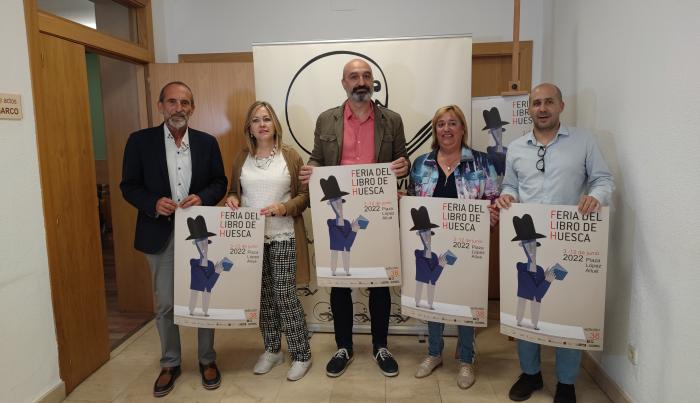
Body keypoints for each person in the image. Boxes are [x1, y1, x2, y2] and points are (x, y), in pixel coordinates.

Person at [494, 83, 614, 403]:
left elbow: (603, 179)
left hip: (567, 237)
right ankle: (531, 374)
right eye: (536, 103)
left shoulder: (584, 141)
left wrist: (596, 197)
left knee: (567, 309)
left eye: (549, 102)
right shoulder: (517, 148)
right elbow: (511, 184)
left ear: (561, 106)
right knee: (528, 302)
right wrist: (508, 196)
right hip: (529, 238)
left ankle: (566, 382)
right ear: (529, 109)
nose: (542, 108)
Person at [299, 58, 410, 378]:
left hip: (377, 213)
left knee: (379, 283)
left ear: (373, 81)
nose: (360, 81)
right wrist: (311, 170)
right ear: (344, 83)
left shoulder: (392, 120)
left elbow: (403, 161)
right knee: (339, 283)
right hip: (337, 211)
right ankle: (343, 346)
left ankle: (380, 346)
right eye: (353, 77)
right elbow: (318, 159)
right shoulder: (326, 120)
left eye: (366, 75)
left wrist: (404, 166)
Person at [120, 81, 227, 397]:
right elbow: (129, 186)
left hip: (199, 231)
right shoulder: (139, 142)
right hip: (158, 232)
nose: (178, 108)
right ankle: (171, 362)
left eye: (185, 103)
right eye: (172, 102)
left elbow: (220, 182)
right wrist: (152, 203)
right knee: (166, 303)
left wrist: (202, 196)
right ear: (160, 106)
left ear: (192, 108)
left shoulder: (207, 143)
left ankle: (207, 359)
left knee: (204, 295)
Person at [408, 105, 500, 389]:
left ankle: (466, 360)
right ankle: (434, 353)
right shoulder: (421, 163)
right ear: (435, 131)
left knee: (465, 299)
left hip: (468, 244)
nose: (446, 129)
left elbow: (495, 199)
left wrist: (494, 213)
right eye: (441, 124)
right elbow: (413, 199)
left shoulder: (482, 163)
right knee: (434, 298)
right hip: (431, 243)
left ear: (462, 129)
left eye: (452, 123)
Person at [225, 101, 313, 381]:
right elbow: (233, 191)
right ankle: (273, 349)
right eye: (255, 120)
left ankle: (301, 354)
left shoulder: (290, 156)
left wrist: (283, 207)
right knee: (262, 297)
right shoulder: (241, 158)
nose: (262, 124)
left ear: (275, 124)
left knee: (284, 294)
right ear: (249, 128)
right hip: (251, 239)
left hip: (283, 234)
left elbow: (304, 196)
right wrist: (233, 199)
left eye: (266, 119)